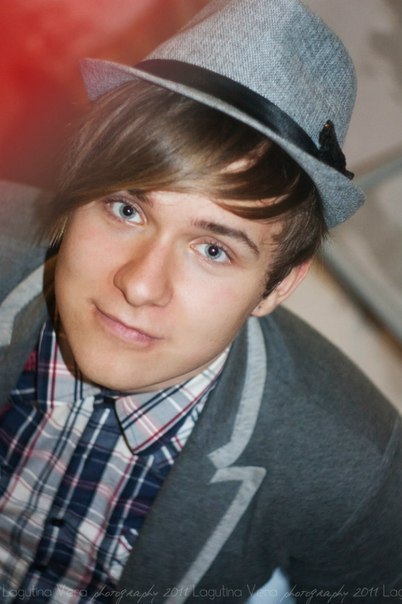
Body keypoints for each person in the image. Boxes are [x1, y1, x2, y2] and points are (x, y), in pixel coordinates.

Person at [0, 0, 401, 602]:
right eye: (126, 209)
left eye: (213, 250)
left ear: (278, 284)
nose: (140, 285)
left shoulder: (354, 471)